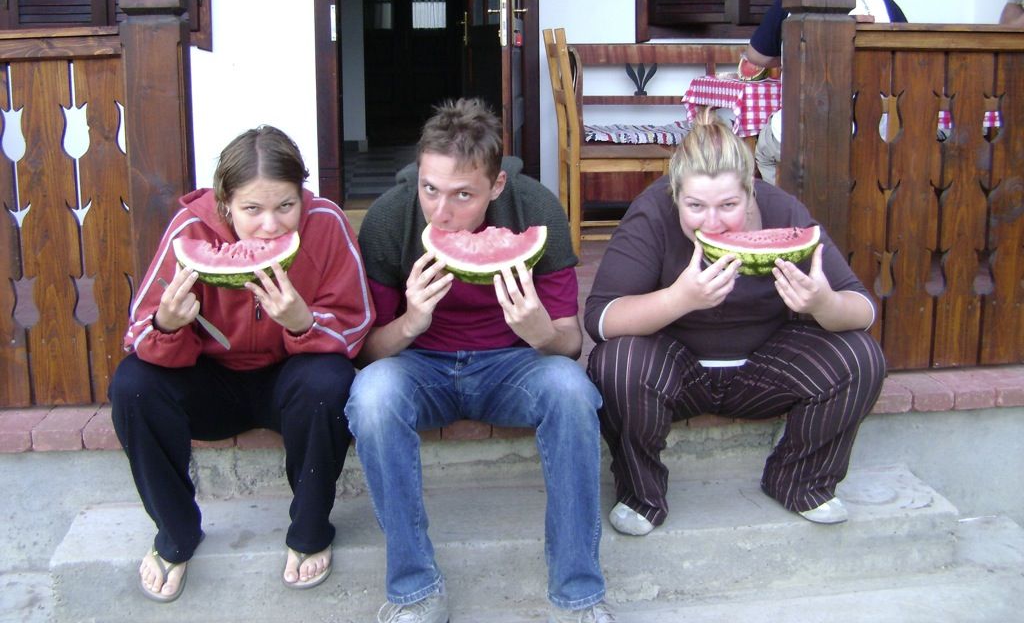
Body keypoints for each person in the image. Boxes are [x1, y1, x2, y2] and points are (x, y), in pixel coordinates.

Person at [346, 98, 614, 623]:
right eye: (430, 189)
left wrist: (540, 331)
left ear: (497, 186)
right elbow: (366, 352)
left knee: (571, 391)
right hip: (420, 369)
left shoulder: (536, 211)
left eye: (463, 195)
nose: (441, 213)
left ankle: (579, 592)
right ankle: (415, 590)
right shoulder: (389, 220)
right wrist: (411, 321)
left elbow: (569, 344)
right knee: (372, 398)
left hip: (512, 368)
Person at [584, 107, 886, 538]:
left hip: (765, 369)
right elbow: (600, 320)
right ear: (675, 195)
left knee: (861, 357)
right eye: (695, 206)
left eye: (728, 205)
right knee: (617, 363)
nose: (712, 222)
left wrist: (824, 302)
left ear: (751, 192)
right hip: (674, 373)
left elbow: (863, 309)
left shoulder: (783, 209)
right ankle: (640, 493)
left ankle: (799, 481)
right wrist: (678, 299)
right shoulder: (651, 214)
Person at [109, 126, 375, 602]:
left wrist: (304, 324)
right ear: (225, 203)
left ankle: (310, 529)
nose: (270, 226)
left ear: (303, 195)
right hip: (211, 385)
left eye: (286, 206)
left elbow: (357, 325)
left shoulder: (327, 224)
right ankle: (175, 532)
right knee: (133, 386)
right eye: (252, 209)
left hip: (290, 381)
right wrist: (167, 325)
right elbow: (137, 334)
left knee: (329, 382)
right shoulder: (190, 230)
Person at [748, 0, 907, 183]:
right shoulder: (885, 3)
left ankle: (786, 203)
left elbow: (756, 56)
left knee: (765, 153)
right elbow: (903, 65)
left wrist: (790, 53)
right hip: (871, 139)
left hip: (801, 138)